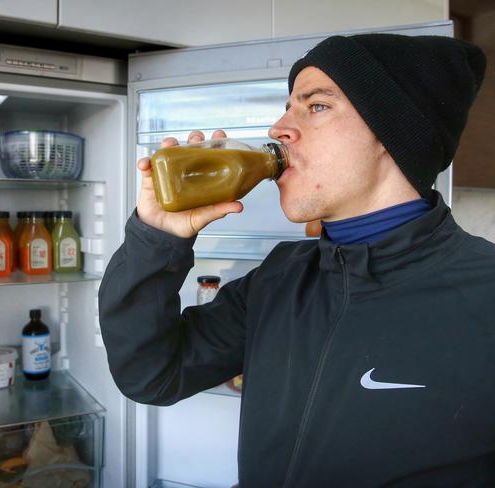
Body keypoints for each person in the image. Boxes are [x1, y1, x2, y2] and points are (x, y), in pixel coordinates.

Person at [99, 33, 492, 486]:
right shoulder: (280, 277)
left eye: (316, 105)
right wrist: (157, 237)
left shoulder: (485, 296)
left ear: (393, 132)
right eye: (288, 106)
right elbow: (151, 376)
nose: (278, 128)